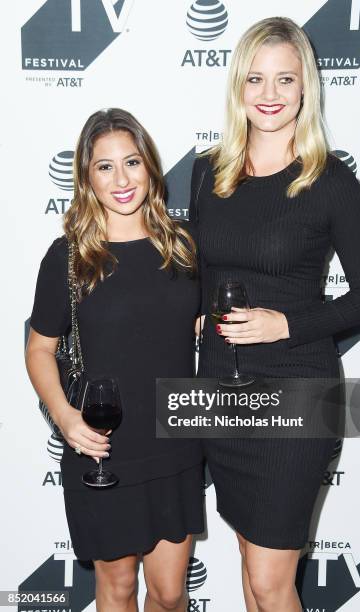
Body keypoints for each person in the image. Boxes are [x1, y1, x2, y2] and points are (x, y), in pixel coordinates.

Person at [189, 17, 360, 612]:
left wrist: (286, 323)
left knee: (274, 584)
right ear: (238, 87)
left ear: (306, 88)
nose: (269, 95)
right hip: (221, 388)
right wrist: (198, 317)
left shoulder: (329, 181)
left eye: (285, 79)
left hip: (298, 391)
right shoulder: (210, 171)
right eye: (256, 79)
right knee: (252, 574)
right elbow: (203, 270)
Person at [26, 108, 204, 612]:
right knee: (119, 588)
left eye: (131, 162)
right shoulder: (70, 257)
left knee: (170, 596)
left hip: (175, 440)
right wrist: (65, 417)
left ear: (149, 166)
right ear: (86, 177)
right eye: (105, 167)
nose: (122, 180)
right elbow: (40, 348)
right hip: (104, 448)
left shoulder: (183, 247)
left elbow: (193, 324)